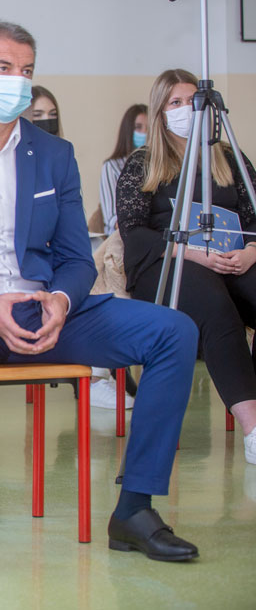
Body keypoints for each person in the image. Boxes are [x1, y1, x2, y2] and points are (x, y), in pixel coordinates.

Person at [0, 22, 200, 582]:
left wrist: (59, 299)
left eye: (26, 70)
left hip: (46, 312)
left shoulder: (53, 153)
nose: (19, 80)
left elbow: (79, 258)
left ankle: (135, 510)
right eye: (3, 68)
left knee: (173, 331)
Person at [117, 68, 256, 466]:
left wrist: (251, 251)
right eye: (174, 103)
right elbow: (133, 232)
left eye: (191, 102)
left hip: (233, 259)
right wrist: (192, 252)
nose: (184, 110)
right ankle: (253, 428)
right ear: (160, 112)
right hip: (169, 264)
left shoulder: (229, 159)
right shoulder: (143, 164)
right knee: (215, 307)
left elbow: (254, 217)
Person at [101, 104, 148, 235]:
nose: (144, 133)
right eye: (138, 127)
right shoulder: (112, 166)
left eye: (149, 128)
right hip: (122, 236)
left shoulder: (157, 166)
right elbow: (112, 218)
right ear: (128, 130)